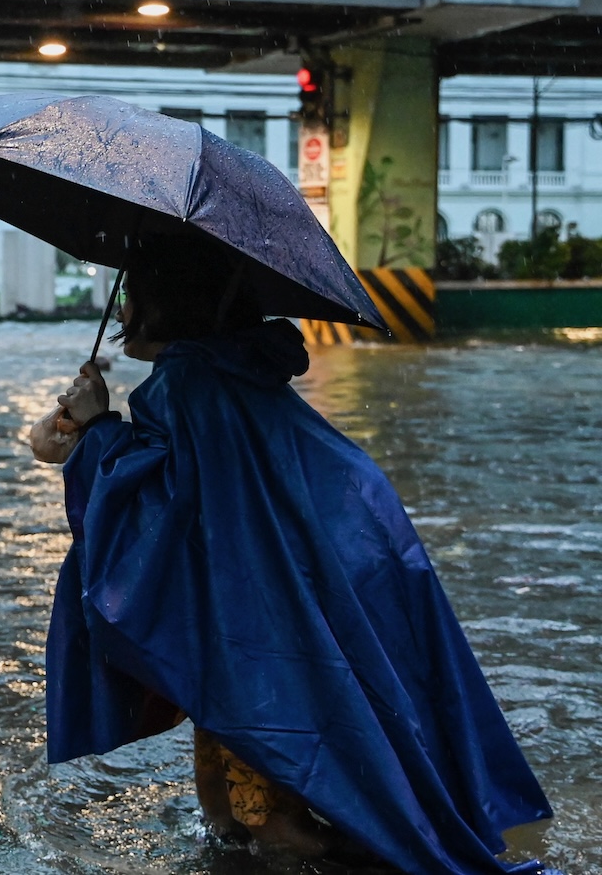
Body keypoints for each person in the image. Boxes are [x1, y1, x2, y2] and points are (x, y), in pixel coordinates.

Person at [30, 236, 552, 873]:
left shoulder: (189, 383)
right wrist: (95, 432)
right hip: (299, 597)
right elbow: (206, 497)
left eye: (132, 294)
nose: (120, 313)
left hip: (255, 632)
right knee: (228, 813)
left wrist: (93, 435)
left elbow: (163, 513)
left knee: (267, 824)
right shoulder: (230, 369)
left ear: (166, 302)